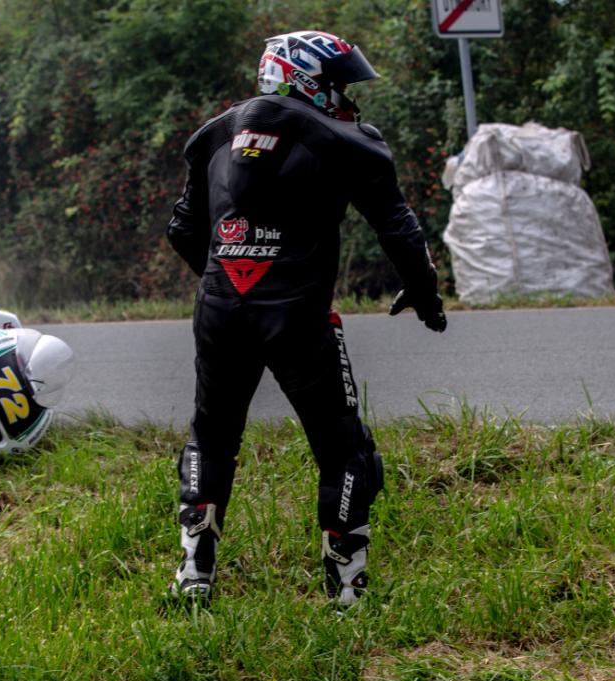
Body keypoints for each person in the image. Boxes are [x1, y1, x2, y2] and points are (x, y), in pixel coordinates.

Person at [166, 30, 447, 606]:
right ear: (305, 79)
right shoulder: (349, 140)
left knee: (210, 436)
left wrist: (231, 277)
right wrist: (425, 292)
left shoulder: (211, 135)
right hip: (298, 314)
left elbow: (182, 230)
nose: (348, 97)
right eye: (340, 84)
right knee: (346, 450)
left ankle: (194, 572)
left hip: (219, 308)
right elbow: (397, 226)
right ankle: (347, 588)